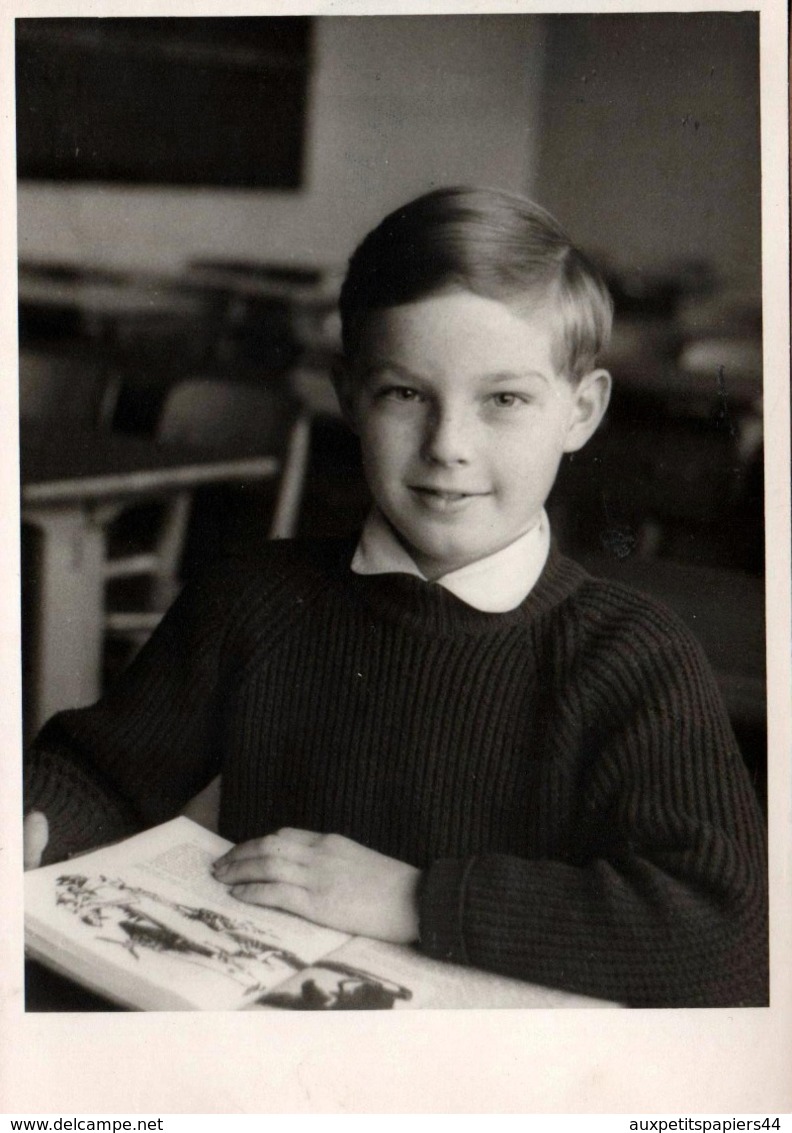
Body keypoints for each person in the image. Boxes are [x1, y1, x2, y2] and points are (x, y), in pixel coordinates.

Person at [24, 187, 768, 1008]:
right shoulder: (254, 596)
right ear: (348, 396)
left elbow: (727, 938)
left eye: (505, 400)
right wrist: (40, 818)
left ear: (581, 411)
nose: (449, 446)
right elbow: (100, 773)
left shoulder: (631, 655)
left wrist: (414, 898)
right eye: (405, 394)